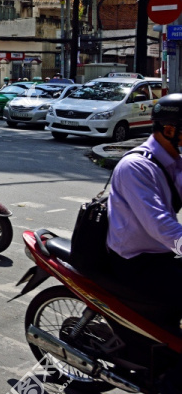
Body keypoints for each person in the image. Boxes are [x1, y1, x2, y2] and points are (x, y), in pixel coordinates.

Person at [105, 94, 182, 391]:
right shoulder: (137, 168)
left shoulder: (175, 163)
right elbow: (161, 226)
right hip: (135, 262)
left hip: (161, 256)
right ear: (169, 129)